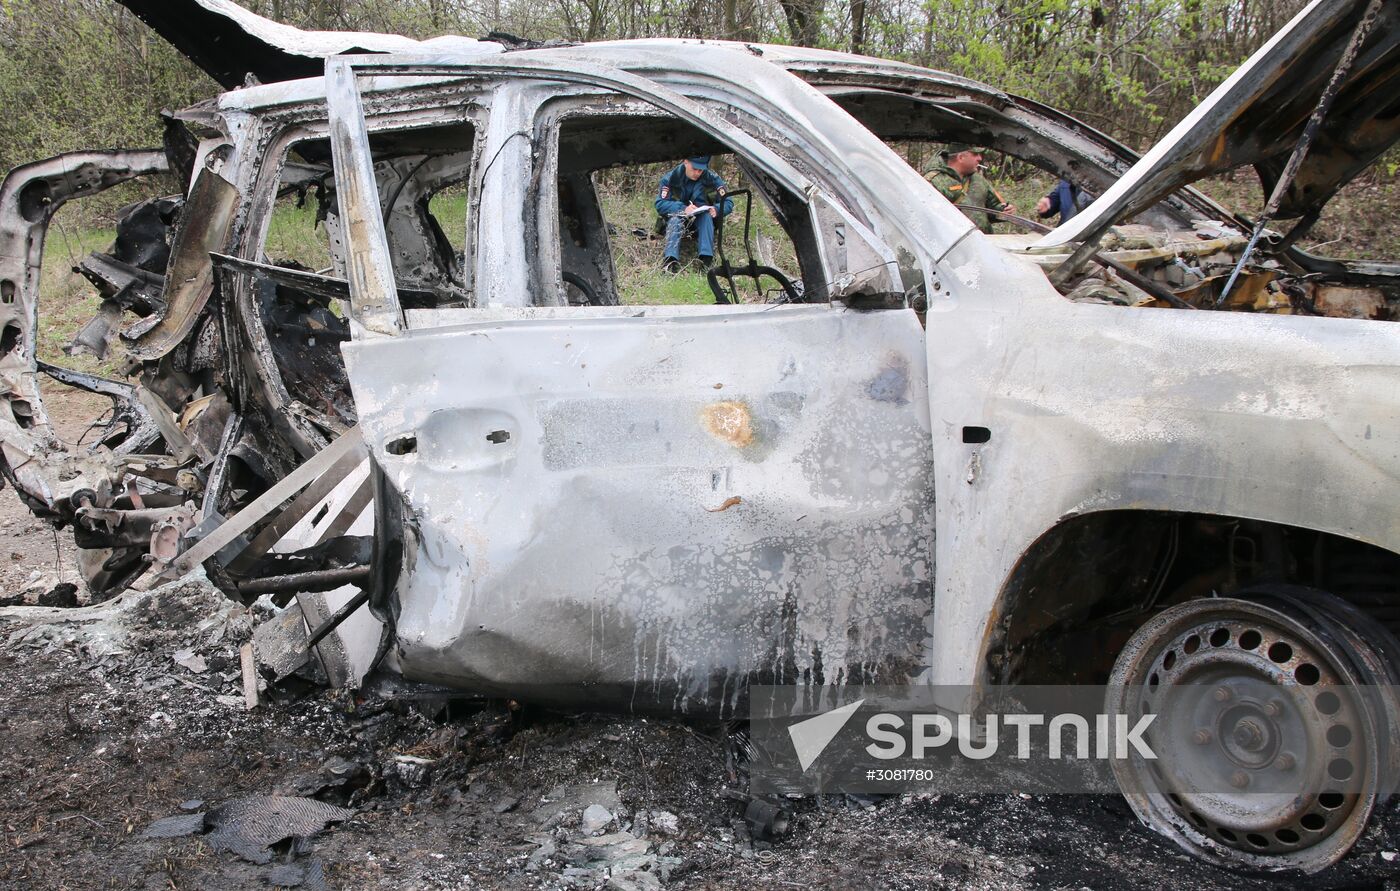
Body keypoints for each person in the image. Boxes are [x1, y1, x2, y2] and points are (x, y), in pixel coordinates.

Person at [655, 156, 734, 273]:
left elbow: (728, 202)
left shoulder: (712, 179)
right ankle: (670, 261)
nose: (697, 173)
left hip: (701, 222)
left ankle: (706, 259)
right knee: (674, 220)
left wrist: (716, 209)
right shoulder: (670, 179)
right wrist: (683, 208)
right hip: (678, 219)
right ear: (685, 162)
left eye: (701, 170)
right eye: (695, 168)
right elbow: (660, 204)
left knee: (706, 217)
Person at [924, 143, 1016, 233]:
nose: (980, 158)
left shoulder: (978, 179)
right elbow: (926, 218)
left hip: (984, 243)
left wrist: (1004, 211)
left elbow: (993, 208)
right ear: (960, 157)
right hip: (952, 244)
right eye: (975, 154)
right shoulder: (933, 181)